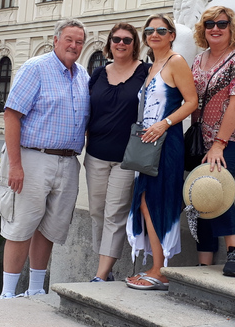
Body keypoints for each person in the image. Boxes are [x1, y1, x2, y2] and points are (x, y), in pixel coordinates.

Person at [0, 18, 90, 299]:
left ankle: (36, 289)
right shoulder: (36, 68)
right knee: (20, 226)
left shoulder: (83, 75)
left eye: (79, 42)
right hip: (32, 158)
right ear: (56, 40)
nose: (74, 46)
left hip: (68, 161)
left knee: (49, 229)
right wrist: (15, 165)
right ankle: (8, 294)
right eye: (69, 40)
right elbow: (12, 115)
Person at [126, 14, 197, 291]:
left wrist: (165, 123)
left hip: (166, 143)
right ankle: (157, 266)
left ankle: (161, 270)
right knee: (145, 201)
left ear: (171, 35)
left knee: (156, 201)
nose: (154, 34)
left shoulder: (175, 62)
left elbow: (192, 102)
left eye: (161, 30)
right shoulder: (151, 66)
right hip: (148, 145)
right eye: (150, 30)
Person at [190, 6, 235, 277]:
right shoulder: (198, 61)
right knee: (199, 192)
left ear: (231, 28)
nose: (215, 29)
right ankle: (204, 260)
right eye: (209, 24)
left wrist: (219, 143)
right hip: (204, 140)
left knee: (216, 181)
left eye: (221, 24)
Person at [85, 23, 150, 283]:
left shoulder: (145, 72)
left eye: (126, 39)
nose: (120, 44)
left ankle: (100, 275)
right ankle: (106, 269)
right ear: (109, 43)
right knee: (96, 212)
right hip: (96, 154)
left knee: (115, 213)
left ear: (135, 44)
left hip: (127, 158)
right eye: (116, 39)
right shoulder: (98, 73)